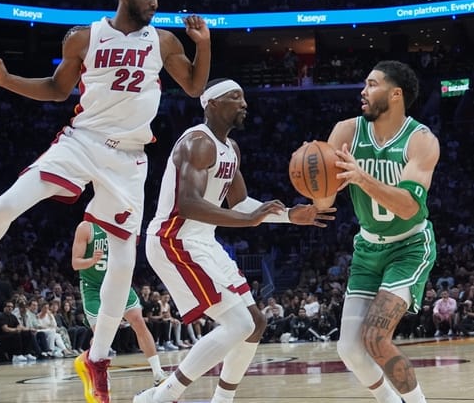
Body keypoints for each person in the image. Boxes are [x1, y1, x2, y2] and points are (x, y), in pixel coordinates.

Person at [0, 0, 210, 401]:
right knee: (8, 203)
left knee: (123, 263)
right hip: (82, 142)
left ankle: (96, 359)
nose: (156, 1)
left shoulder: (163, 42)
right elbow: (56, 89)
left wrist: (204, 43)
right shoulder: (84, 38)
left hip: (129, 159)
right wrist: (6, 80)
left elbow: (196, 86)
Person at [133, 78, 335, 403]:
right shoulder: (198, 143)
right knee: (238, 323)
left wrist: (288, 216)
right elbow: (188, 203)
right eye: (235, 97)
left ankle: (222, 399)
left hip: (202, 242)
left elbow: (240, 204)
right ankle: (163, 396)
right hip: (174, 240)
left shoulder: (231, 148)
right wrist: (249, 220)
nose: (244, 103)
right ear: (212, 103)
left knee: (255, 322)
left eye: (243, 97)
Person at [314, 60, 438, 403]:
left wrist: (361, 177)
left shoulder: (421, 140)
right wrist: (314, 178)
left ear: (395, 94)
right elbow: (325, 202)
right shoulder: (345, 132)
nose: (363, 91)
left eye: (371, 84)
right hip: (368, 249)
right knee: (349, 349)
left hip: (409, 245)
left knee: (375, 337)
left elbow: (409, 206)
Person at [72, 220, 168, 386]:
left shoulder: (124, 224)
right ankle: (100, 377)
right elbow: (75, 263)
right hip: (93, 288)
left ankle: (158, 373)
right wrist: (91, 261)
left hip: (118, 283)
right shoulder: (86, 227)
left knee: (139, 322)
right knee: (100, 335)